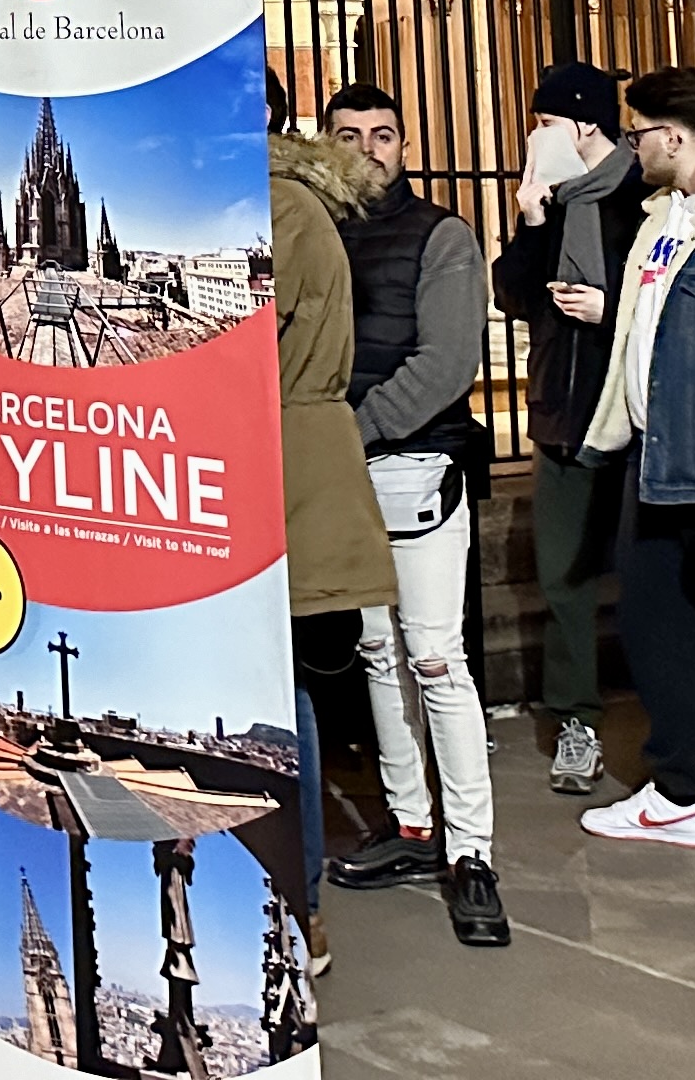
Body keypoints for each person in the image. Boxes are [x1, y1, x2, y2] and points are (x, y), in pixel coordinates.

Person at [317, 81, 505, 950]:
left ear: (404, 144)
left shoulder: (441, 236)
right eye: (349, 134)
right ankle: (412, 821)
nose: (368, 148)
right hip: (341, 474)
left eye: (384, 133)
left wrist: (351, 430)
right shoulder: (311, 230)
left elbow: (448, 360)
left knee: (433, 656)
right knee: (375, 652)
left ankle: (472, 852)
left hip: (415, 464)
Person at [579, 69, 695, 854]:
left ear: (674, 136)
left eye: (639, 134)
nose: (633, 148)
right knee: (661, 625)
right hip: (652, 452)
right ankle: (680, 786)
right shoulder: (664, 213)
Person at [267, 95, 398, 950]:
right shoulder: (283, 198)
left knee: (280, 692)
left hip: (282, 463)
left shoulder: (276, 206)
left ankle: (298, 901)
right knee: (280, 685)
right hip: (278, 455)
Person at [492, 61, 642, 801]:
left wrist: (611, 310)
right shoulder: (550, 202)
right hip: (564, 409)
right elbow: (513, 296)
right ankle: (576, 718)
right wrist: (530, 221)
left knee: (650, 579)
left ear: (584, 124)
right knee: (565, 577)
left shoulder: (641, 195)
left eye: (545, 124)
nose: (535, 137)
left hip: (633, 412)